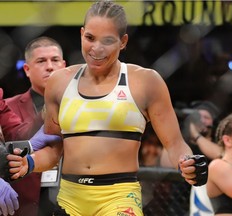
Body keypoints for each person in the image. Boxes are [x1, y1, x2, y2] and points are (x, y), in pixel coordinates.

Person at [8, 1, 208, 216]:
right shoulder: (59, 82)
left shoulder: (146, 82)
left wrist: (187, 164)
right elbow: (54, 147)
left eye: (108, 40)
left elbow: (176, 144)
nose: (97, 49)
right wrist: (29, 163)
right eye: (90, 38)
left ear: (123, 42)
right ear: (81, 34)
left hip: (119, 197)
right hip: (70, 198)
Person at [5, 36, 66, 216]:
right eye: (41, 61)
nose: (49, 66)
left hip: (71, 203)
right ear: (27, 69)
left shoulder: (80, 107)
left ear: (64, 65)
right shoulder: (7, 108)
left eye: (55, 60)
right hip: (21, 206)